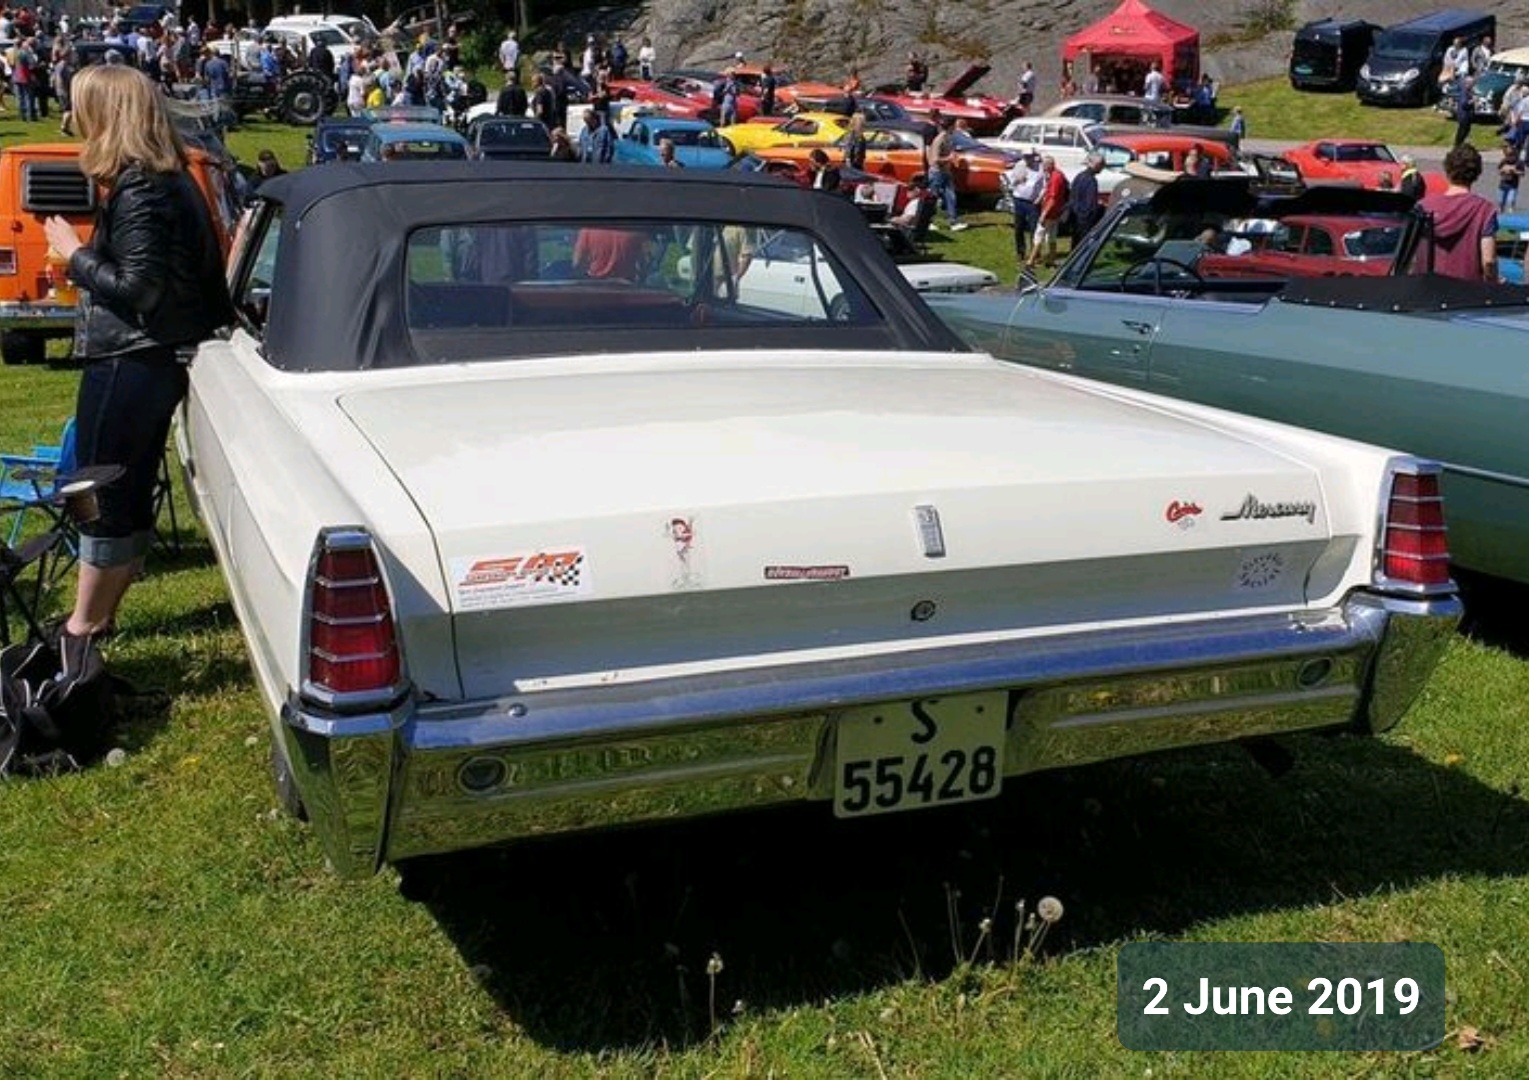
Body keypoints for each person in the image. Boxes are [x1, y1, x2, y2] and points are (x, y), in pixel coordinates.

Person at [41, 64, 233, 643]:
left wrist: (74, 254)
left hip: (132, 359)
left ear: (107, 114)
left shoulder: (142, 185)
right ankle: (94, 618)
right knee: (123, 486)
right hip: (148, 357)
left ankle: (83, 626)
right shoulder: (167, 178)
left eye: (80, 108)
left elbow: (137, 288)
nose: (72, 120)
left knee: (98, 492)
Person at [1417, 143, 1498, 282]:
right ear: (1477, 174)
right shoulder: (1484, 210)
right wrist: (1494, 282)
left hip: (1425, 291)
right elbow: (1488, 261)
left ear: (1447, 171)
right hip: (1466, 295)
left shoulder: (1423, 206)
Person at [924, 113, 966, 231]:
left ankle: (953, 222)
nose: (956, 128)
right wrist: (949, 158)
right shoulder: (939, 139)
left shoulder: (948, 137)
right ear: (951, 126)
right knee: (932, 198)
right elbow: (934, 159)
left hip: (945, 172)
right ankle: (927, 221)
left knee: (951, 196)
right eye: (955, 126)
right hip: (937, 173)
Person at [1029, 155, 1069, 268]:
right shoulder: (1056, 175)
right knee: (1052, 236)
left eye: (1045, 165)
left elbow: (1053, 198)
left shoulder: (1055, 177)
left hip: (1050, 212)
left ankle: (1031, 261)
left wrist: (1043, 214)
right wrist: (1040, 199)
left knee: (1038, 235)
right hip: (1056, 212)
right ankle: (1051, 259)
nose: (1043, 167)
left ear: (1050, 165)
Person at [1005, 152, 1044, 268]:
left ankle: (1035, 255)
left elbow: (1044, 186)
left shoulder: (1039, 168)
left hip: (1033, 203)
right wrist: (1017, 181)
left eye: (1029, 157)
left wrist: (1039, 198)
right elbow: (1011, 182)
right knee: (1019, 227)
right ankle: (1020, 253)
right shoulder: (1019, 165)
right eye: (1025, 157)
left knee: (1034, 229)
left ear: (1033, 157)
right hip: (1019, 200)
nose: (1027, 159)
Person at [1069, 150, 1104, 241]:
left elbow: (1073, 196)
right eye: (1101, 165)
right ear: (1097, 165)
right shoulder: (1091, 180)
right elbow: (1090, 204)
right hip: (1085, 219)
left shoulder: (1079, 176)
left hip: (1075, 216)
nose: (1102, 168)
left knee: (1075, 244)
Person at [1498, 142, 1522, 211]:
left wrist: (1515, 172)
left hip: (1513, 186)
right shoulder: (1504, 161)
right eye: (1508, 155)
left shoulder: (1518, 162)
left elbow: (1522, 173)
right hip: (1502, 185)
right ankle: (1501, 212)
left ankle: (1511, 212)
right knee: (1500, 202)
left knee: (1510, 201)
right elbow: (1499, 170)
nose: (1509, 157)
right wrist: (1502, 170)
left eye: (1511, 155)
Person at [1454, 76, 1476, 148]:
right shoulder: (1465, 91)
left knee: (1465, 130)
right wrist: (1472, 101)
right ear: (1468, 83)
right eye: (1472, 83)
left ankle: (1459, 144)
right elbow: (1464, 104)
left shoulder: (1468, 91)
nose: (1473, 85)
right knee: (1462, 131)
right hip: (1464, 115)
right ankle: (1458, 144)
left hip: (1467, 115)